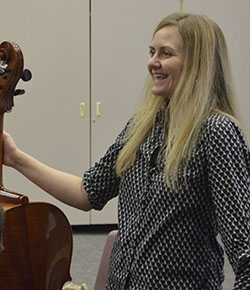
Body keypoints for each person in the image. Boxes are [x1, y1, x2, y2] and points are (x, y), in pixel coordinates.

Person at [2, 12, 250, 289]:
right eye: (151, 51)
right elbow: (87, 192)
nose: (152, 62)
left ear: (197, 63)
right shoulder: (142, 126)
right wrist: (15, 158)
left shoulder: (217, 131)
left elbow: (246, 255)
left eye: (166, 53)